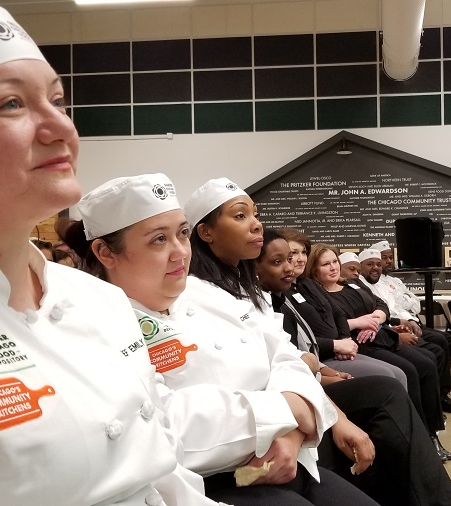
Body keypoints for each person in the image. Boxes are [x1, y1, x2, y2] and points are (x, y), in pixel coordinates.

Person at [0, 2, 217, 505]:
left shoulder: (98, 299)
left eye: (58, 100)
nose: (60, 128)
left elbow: (164, 469)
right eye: (10, 104)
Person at [70, 174, 379, 506]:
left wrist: (289, 433)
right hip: (206, 486)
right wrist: (287, 408)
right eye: (159, 239)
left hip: (285, 460)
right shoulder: (97, 325)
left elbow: (282, 356)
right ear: (105, 252)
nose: (180, 253)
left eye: (182, 234)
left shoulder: (206, 293)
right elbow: (162, 425)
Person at [257, 229, 451, 505]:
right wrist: (326, 366)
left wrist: (360, 330)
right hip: (308, 381)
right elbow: (292, 359)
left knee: (407, 370)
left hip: (321, 369)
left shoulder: (294, 292)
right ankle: (434, 488)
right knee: (391, 378)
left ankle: (430, 476)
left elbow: (305, 345)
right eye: (283, 259)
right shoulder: (270, 300)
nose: (292, 264)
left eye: (297, 255)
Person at [305, 244, 451, 461]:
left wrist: (375, 319)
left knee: (428, 363)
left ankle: (432, 431)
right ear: (314, 269)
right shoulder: (318, 296)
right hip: (361, 344)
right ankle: (422, 438)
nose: (333, 267)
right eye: (325, 264)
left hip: (381, 336)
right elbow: (330, 327)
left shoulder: (354, 284)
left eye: (335, 262)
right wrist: (359, 324)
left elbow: (380, 304)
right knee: (410, 371)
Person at [277, 228, 408, 387]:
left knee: (400, 373)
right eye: (293, 253)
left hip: (344, 349)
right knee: (390, 376)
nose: (300, 258)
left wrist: (344, 339)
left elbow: (337, 313)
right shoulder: (281, 294)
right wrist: (337, 344)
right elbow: (298, 340)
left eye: (303, 252)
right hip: (321, 358)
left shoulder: (308, 284)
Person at [359, 248, 451, 415]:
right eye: (370, 264)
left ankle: (439, 396)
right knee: (435, 349)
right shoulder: (361, 288)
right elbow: (384, 312)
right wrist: (397, 328)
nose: (376, 267)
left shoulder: (388, 282)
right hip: (387, 331)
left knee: (445, 342)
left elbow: (412, 304)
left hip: (405, 322)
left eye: (379, 263)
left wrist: (405, 320)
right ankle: (434, 400)